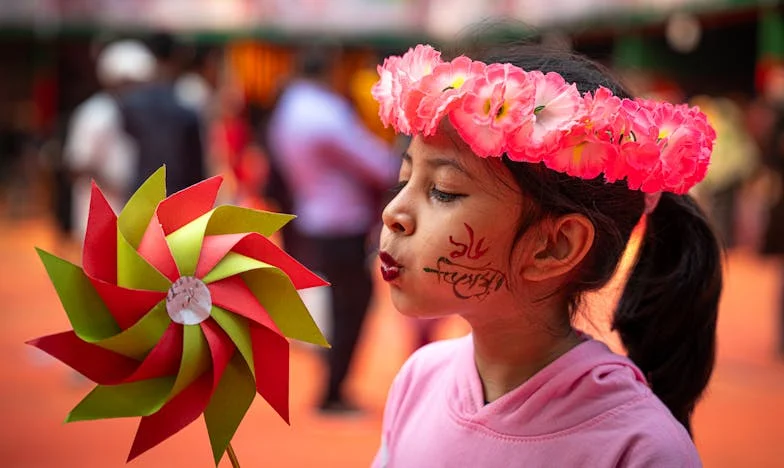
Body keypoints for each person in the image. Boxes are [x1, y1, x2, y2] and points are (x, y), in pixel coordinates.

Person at [371, 43, 722, 467]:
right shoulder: (419, 378)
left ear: (554, 246)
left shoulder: (641, 448)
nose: (393, 213)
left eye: (443, 191)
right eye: (405, 178)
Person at [267, 45, 398, 414]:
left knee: (341, 303)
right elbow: (375, 163)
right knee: (350, 305)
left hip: (314, 213)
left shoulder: (288, 109)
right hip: (341, 220)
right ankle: (332, 391)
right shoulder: (323, 112)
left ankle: (333, 384)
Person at [64, 39, 155, 241]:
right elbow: (76, 165)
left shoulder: (147, 113)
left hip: (138, 221)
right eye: (130, 83)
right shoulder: (94, 113)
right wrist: (114, 183)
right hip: (101, 219)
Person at [120, 32, 205, 196]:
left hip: (139, 197)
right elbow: (196, 166)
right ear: (177, 57)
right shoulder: (187, 104)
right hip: (177, 197)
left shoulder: (130, 104)